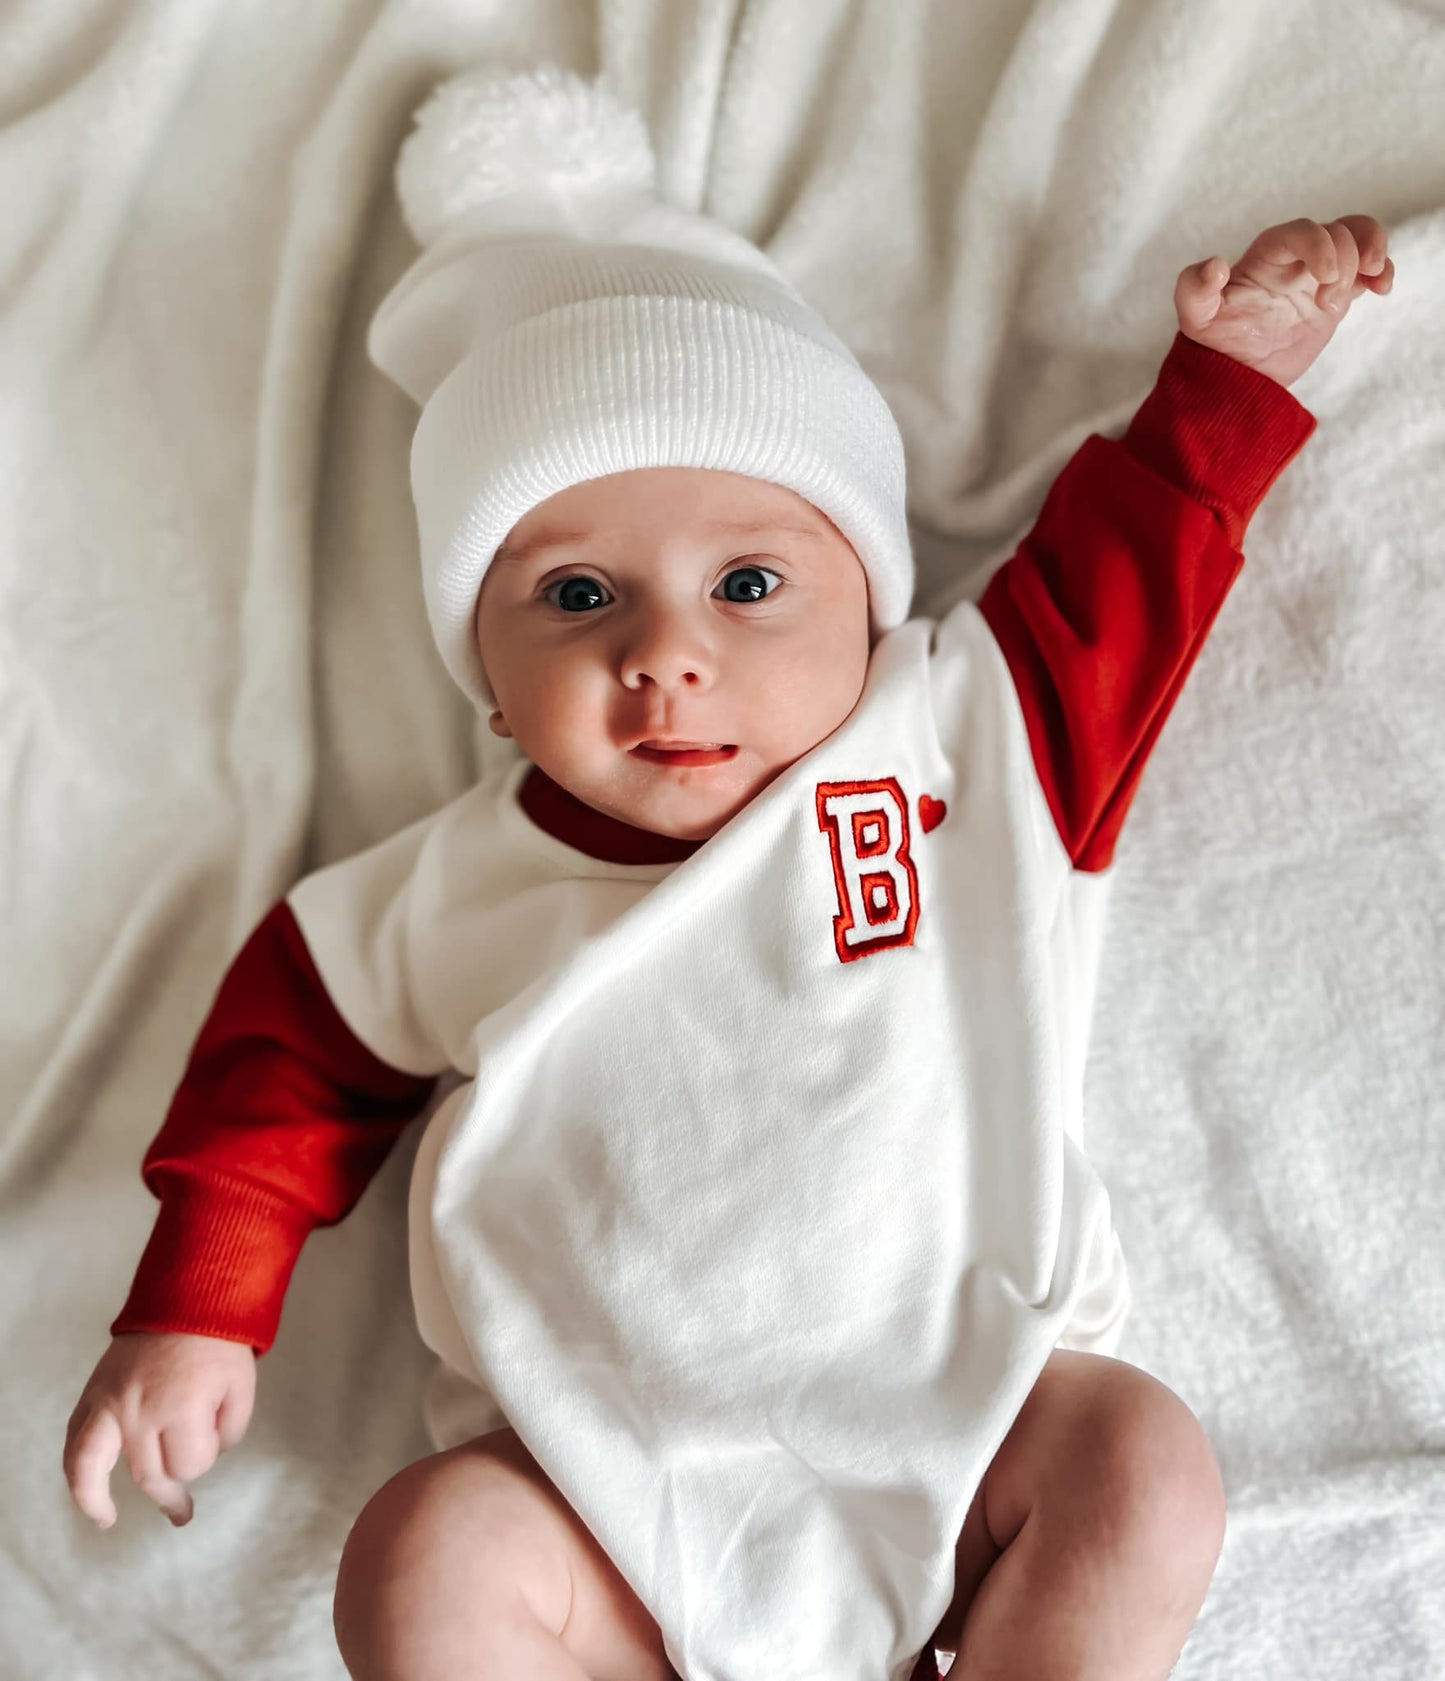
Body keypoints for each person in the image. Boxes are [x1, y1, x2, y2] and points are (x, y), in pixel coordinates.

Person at [62, 63, 1393, 1681]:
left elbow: (1145, 558)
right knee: (428, 1548)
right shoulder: (450, 892)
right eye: (571, 598)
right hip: (605, 1492)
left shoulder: (961, 734)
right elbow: (282, 1060)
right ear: (480, 673)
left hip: (968, 1423)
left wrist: (1231, 375)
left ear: (869, 594)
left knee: (1142, 1464)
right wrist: (200, 1299)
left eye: (748, 581)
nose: (666, 656)